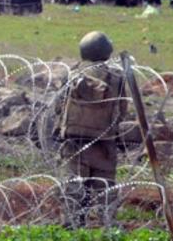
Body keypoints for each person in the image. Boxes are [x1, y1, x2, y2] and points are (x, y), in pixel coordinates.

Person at [58, 31, 126, 227]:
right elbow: (122, 110)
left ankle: (71, 225)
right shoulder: (116, 77)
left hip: (74, 141)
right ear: (107, 51)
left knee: (73, 187)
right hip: (104, 143)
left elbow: (59, 106)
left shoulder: (73, 74)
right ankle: (108, 225)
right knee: (105, 189)